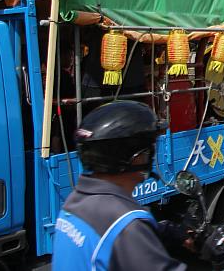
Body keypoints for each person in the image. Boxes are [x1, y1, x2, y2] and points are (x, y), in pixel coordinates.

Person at [52, 101, 189, 271]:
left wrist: (156, 231)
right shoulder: (126, 223)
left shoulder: (74, 203)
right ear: (137, 157)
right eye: (149, 148)